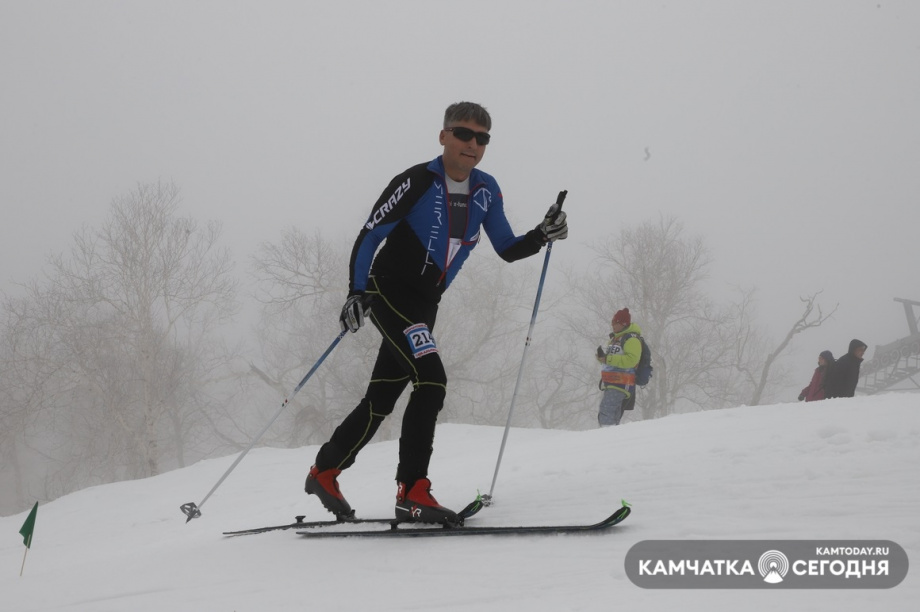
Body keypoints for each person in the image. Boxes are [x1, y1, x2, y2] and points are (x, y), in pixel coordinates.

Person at [305, 102, 568, 525]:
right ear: (443, 135)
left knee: (381, 398)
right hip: (388, 291)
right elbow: (370, 235)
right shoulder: (417, 180)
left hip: (426, 304)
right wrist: (356, 292)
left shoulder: (486, 189)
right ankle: (412, 490)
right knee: (431, 380)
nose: (472, 144)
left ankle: (325, 470)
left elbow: (506, 248)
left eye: (482, 138)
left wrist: (542, 234)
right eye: (463, 134)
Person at [595, 308, 642, 427]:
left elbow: (631, 361)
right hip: (611, 382)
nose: (613, 325)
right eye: (612, 322)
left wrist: (608, 359)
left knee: (607, 409)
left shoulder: (632, 339)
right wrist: (602, 358)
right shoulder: (614, 339)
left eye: (615, 323)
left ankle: (605, 434)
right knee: (608, 410)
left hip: (621, 382)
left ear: (623, 324)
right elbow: (612, 361)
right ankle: (610, 433)